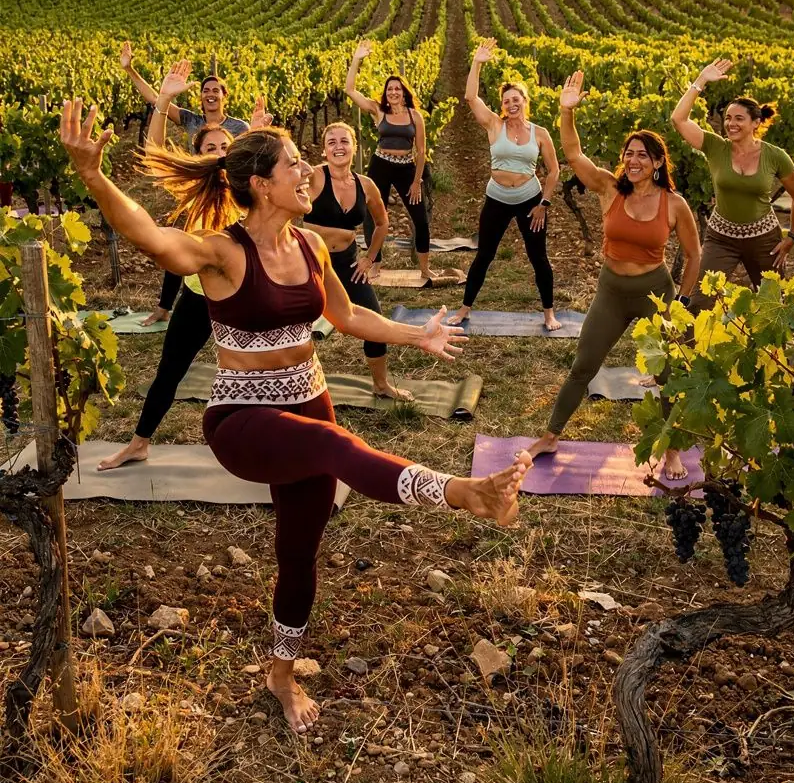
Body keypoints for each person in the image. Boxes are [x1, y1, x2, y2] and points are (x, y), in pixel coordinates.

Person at [60, 100, 532, 735]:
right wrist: (93, 175)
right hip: (243, 418)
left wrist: (414, 335)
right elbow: (152, 235)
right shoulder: (224, 253)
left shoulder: (309, 244)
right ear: (263, 185)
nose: (308, 171)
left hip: (309, 395)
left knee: (299, 551)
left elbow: (347, 317)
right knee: (337, 447)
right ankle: (464, 494)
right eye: (295, 165)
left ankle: (280, 675)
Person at [529, 72, 702, 480]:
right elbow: (572, 154)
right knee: (584, 363)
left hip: (654, 292)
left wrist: (683, 300)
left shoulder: (674, 204)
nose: (634, 160)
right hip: (611, 289)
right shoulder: (609, 188)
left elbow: (694, 254)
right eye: (629, 153)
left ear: (658, 162)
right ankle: (551, 434)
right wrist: (565, 111)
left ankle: (673, 449)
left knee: (668, 373)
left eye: (643, 155)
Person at [97, 60, 234, 472]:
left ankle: (269, 444)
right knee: (169, 371)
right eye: (210, 148)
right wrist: (163, 102)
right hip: (198, 296)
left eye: (225, 147)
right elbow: (155, 155)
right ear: (197, 156)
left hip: (239, 295)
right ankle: (139, 442)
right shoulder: (192, 189)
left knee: (254, 371)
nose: (218, 153)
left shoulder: (248, 186)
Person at [118, 43, 266, 326]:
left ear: (225, 97)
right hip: (198, 193)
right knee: (184, 243)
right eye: (205, 90)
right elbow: (156, 130)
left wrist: (259, 130)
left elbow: (261, 156)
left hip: (235, 265)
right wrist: (133, 72)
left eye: (225, 147)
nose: (219, 152)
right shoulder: (191, 121)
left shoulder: (241, 134)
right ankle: (168, 305)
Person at [670, 59, 794, 309]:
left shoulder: (775, 155)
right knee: (700, 302)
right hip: (721, 237)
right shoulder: (715, 147)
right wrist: (700, 81)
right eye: (728, 118)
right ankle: (690, 348)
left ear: (756, 123)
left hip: (764, 239)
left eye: (739, 119)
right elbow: (678, 119)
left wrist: (793, 236)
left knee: (773, 305)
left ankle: (773, 350)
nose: (731, 123)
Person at [449, 40, 561, 330]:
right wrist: (477, 62)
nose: (512, 104)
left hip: (529, 199)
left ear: (525, 102)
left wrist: (543, 204)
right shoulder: (494, 126)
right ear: (502, 106)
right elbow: (471, 97)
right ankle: (464, 309)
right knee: (484, 255)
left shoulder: (541, 133)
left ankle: (549, 313)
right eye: (507, 100)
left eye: (517, 99)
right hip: (497, 198)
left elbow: (553, 171)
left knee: (538, 257)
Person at [307, 121, 411, 401]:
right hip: (309, 262)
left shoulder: (366, 186)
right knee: (293, 323)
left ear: (354, 147)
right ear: (325, 150)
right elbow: (288, 213)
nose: (338, 147)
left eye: (344, 141)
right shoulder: (313, 178)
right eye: (332, 142)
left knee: (375, 322)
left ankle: (380, 385)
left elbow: (381, 223)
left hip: (347, 264)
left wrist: (369, 257)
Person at [345, 41, 439, 284]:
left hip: (407, 169)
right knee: (374, 216)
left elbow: (421, 150)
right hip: (380, 166)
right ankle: (375, 263)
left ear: (404, 91)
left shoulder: (414, 116)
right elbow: (350, 90)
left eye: (397, 89)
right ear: (385, 93)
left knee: (420, 218)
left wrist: (417, 181)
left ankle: (425, 268)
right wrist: (357, 59)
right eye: (389, 90)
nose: (393, 92)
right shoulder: (378, 111)